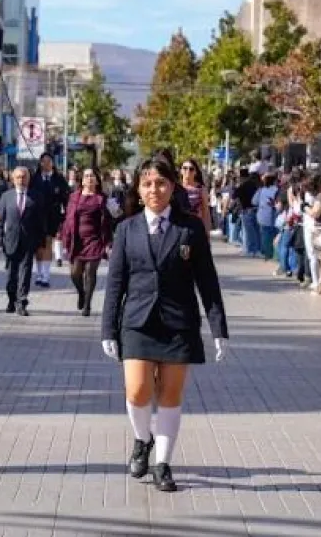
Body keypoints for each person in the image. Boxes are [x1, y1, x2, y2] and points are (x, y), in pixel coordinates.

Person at [101, 158, 228, 493]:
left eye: (161, 183)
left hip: (178, 324)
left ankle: (162, 463)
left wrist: (219, 328)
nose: (154, 190)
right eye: (147, 184)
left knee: (170, 395)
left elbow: (207, 281)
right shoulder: (126, 229)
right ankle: (143, 439)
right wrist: (107, 330)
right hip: (137, 323)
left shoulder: (190, 229)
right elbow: (115, 283)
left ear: (173, 187)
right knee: (138, 391)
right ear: (138, 190)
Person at [62, 167, 112, 317]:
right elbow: (68, 218)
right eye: (86, 176)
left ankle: (87, 305)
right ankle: (81, 293)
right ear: (82, 180)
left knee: (91, 271)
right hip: (77, 241)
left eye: (92, 176)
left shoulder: (103, 199)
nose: (89, 178)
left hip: (95, 240)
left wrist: (109, 242)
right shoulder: (74, 197)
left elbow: (111, 219)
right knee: (75, 273)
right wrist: (65, 236)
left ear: (97, 180)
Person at [0, 166, 43, 316]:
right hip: (10, 240)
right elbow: (0, 221)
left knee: (25, 272)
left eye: (24, 177)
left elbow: (40, 221)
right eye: (18, 177)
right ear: (13, 179)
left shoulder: (36, 196)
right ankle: (11, 298)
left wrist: (40, 241)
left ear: (28, 179)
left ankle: (22, 301)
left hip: (28, 241)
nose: (21, 180)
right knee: (11, 273)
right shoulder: (6, 196)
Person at [29, 153, 69, 288]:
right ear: (40, 163)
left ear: (52, 163)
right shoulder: (34, 179)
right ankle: (39, 274)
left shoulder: (59, 179)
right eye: (43, 161)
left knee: (47, 243)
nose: (46, 164)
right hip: (36, 216)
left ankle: (46, 276)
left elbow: (66, 198)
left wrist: (64, 217)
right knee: (38, 247)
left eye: (49, 161)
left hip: (52, 216)